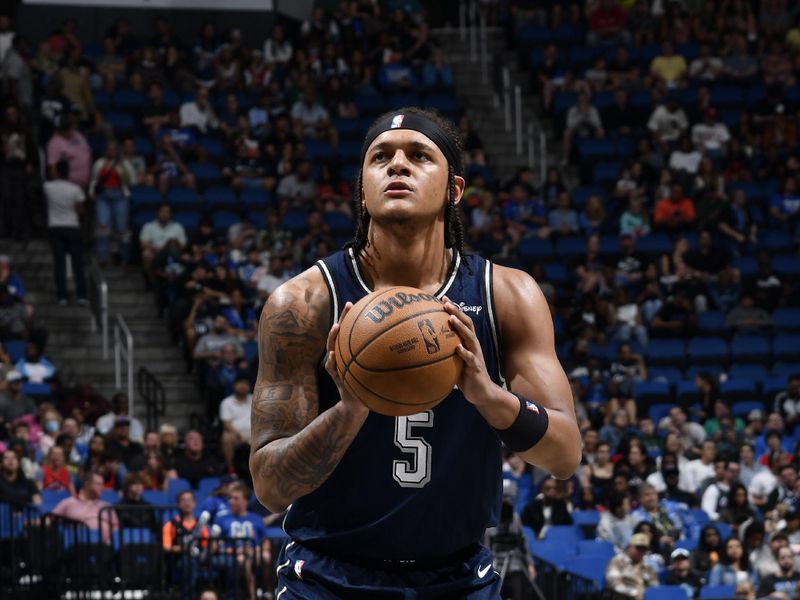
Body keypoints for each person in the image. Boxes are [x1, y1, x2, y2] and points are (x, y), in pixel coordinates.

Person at [249, 107, 581, 597]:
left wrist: (489, 396)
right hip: (327, 577)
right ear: (361, 189)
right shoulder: (302, 304)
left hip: (458, 577)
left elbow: (565, 454)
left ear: (455, 190)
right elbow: (270, 486)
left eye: (419, 155)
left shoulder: (507, 295)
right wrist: (350, 408)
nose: (397, 165)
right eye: (380, 156)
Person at [44, 159, 87, 305]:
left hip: (55, 227)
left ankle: (62, 296)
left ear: (57, 172)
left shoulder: (48, 187)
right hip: (72, 227)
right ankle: (82, 296)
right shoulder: (75, 188)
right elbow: (81, 210)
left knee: (59, 264)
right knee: (78, 264)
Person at [163, 490, 209, 598]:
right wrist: (185, 549)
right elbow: (167, 547)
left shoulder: (200, 525)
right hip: (178, 560)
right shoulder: (171, 524)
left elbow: (206, 545)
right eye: (183, 500)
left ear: (195, 503)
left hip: (199, 559)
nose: (187, 503)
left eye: (189, 500)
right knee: (188, 561)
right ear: (178, 504)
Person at [52, 471, 119, 542]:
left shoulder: (106, 505)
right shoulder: (68, 503)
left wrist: (110, 540)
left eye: (102, 484)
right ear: (87, 484)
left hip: (105, 546)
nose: (102, 487)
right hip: (80, 545)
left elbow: (115, 526)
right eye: (98, 484)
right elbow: (50, 518)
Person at [605, 532, 658, 600]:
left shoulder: (647, 566)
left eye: (644, 549)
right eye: (638, 548)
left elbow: (655, 586)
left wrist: (646, 595)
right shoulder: (617, 561)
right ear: (630, 546)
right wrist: (635, 593)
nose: (641, 551)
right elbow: (614, 584)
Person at [219, 376, 252, 475]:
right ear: (234, 386)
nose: (242, 386)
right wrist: (239, 436)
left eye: (245, 383)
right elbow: (226, 424)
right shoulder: (227, 402)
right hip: (237, 436)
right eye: (240, 383)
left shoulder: (256, 399)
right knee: (226, 438)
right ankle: (231, 471)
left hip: (255, 434)